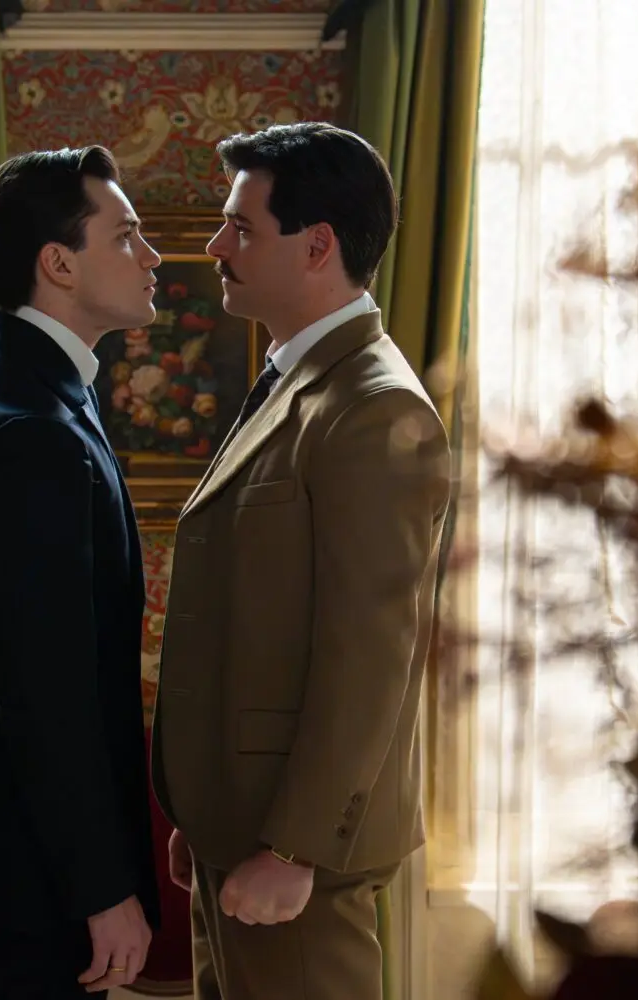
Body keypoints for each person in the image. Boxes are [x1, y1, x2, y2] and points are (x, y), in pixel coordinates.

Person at [150, 122, 452, 999]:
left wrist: (294, 847)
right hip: (242, 829)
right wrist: (210, 812)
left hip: (294, 854)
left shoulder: (374, 408)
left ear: (318, 245)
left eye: (240, 228)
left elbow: (371, 654)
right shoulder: (300, 380)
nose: (216, 246)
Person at [0, 145, 164, 998]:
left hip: (13, 865)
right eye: (125, 236)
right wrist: (100, 888)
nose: (152, 256)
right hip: (33, 877)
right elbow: (44, 690)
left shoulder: (7, 388)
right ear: (58, 263)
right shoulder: (28, 426)